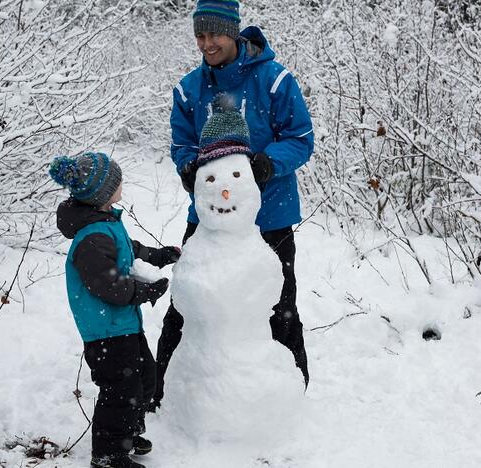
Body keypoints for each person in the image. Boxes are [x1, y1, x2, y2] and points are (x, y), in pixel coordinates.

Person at [154, 0, 314, 409]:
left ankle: (291, 394)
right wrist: (187, 167)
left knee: (279, 306)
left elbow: (300, 138)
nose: (207, 44)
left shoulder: (274, 80)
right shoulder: (189, 88)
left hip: (270, 217)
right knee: (188, 302)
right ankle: (159, 393)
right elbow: (180, 142)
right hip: (207, 219)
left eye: (215, 34)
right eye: (200, 35)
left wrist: (267, 163)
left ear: (234, 32)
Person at [50, 152, 181, 468]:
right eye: (117, 180)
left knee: (145, 377)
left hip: (123, 324)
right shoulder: (92, 237)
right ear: (102, 192)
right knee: (121, 387)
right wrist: (145, 291)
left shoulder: (106, 222)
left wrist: (157, 256)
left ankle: (128, 433)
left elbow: (129, 248)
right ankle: (108, 454)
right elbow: (107, 285)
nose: (122, 182)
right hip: (105, 329)